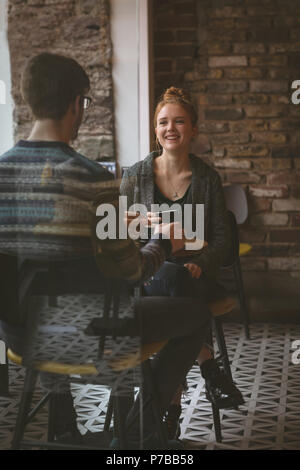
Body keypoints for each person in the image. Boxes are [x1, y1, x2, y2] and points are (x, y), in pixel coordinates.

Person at [0, 54, 211, 450]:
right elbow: (133, 271)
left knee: (45, 299)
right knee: (195, 314)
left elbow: (42, 247)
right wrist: (166, 242)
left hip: (17, 334)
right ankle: (136, 432)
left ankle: (64, 428)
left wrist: (118, 223)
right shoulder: (93, 179)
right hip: (91, 338)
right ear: (76, 103)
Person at [120, 86, 244, 439]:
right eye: (163, 122)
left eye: (178, 121)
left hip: (195, 274)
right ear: (155, 130)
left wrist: (202, 262)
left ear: (193, 129)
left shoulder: (207, 179)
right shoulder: (136, 175)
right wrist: (149, 232)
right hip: (149, 273)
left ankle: (165, 411)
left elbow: (221, 240)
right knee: (173, 277)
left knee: (179, 279)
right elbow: (120, 229)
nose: (170, 128)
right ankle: (208, 365)